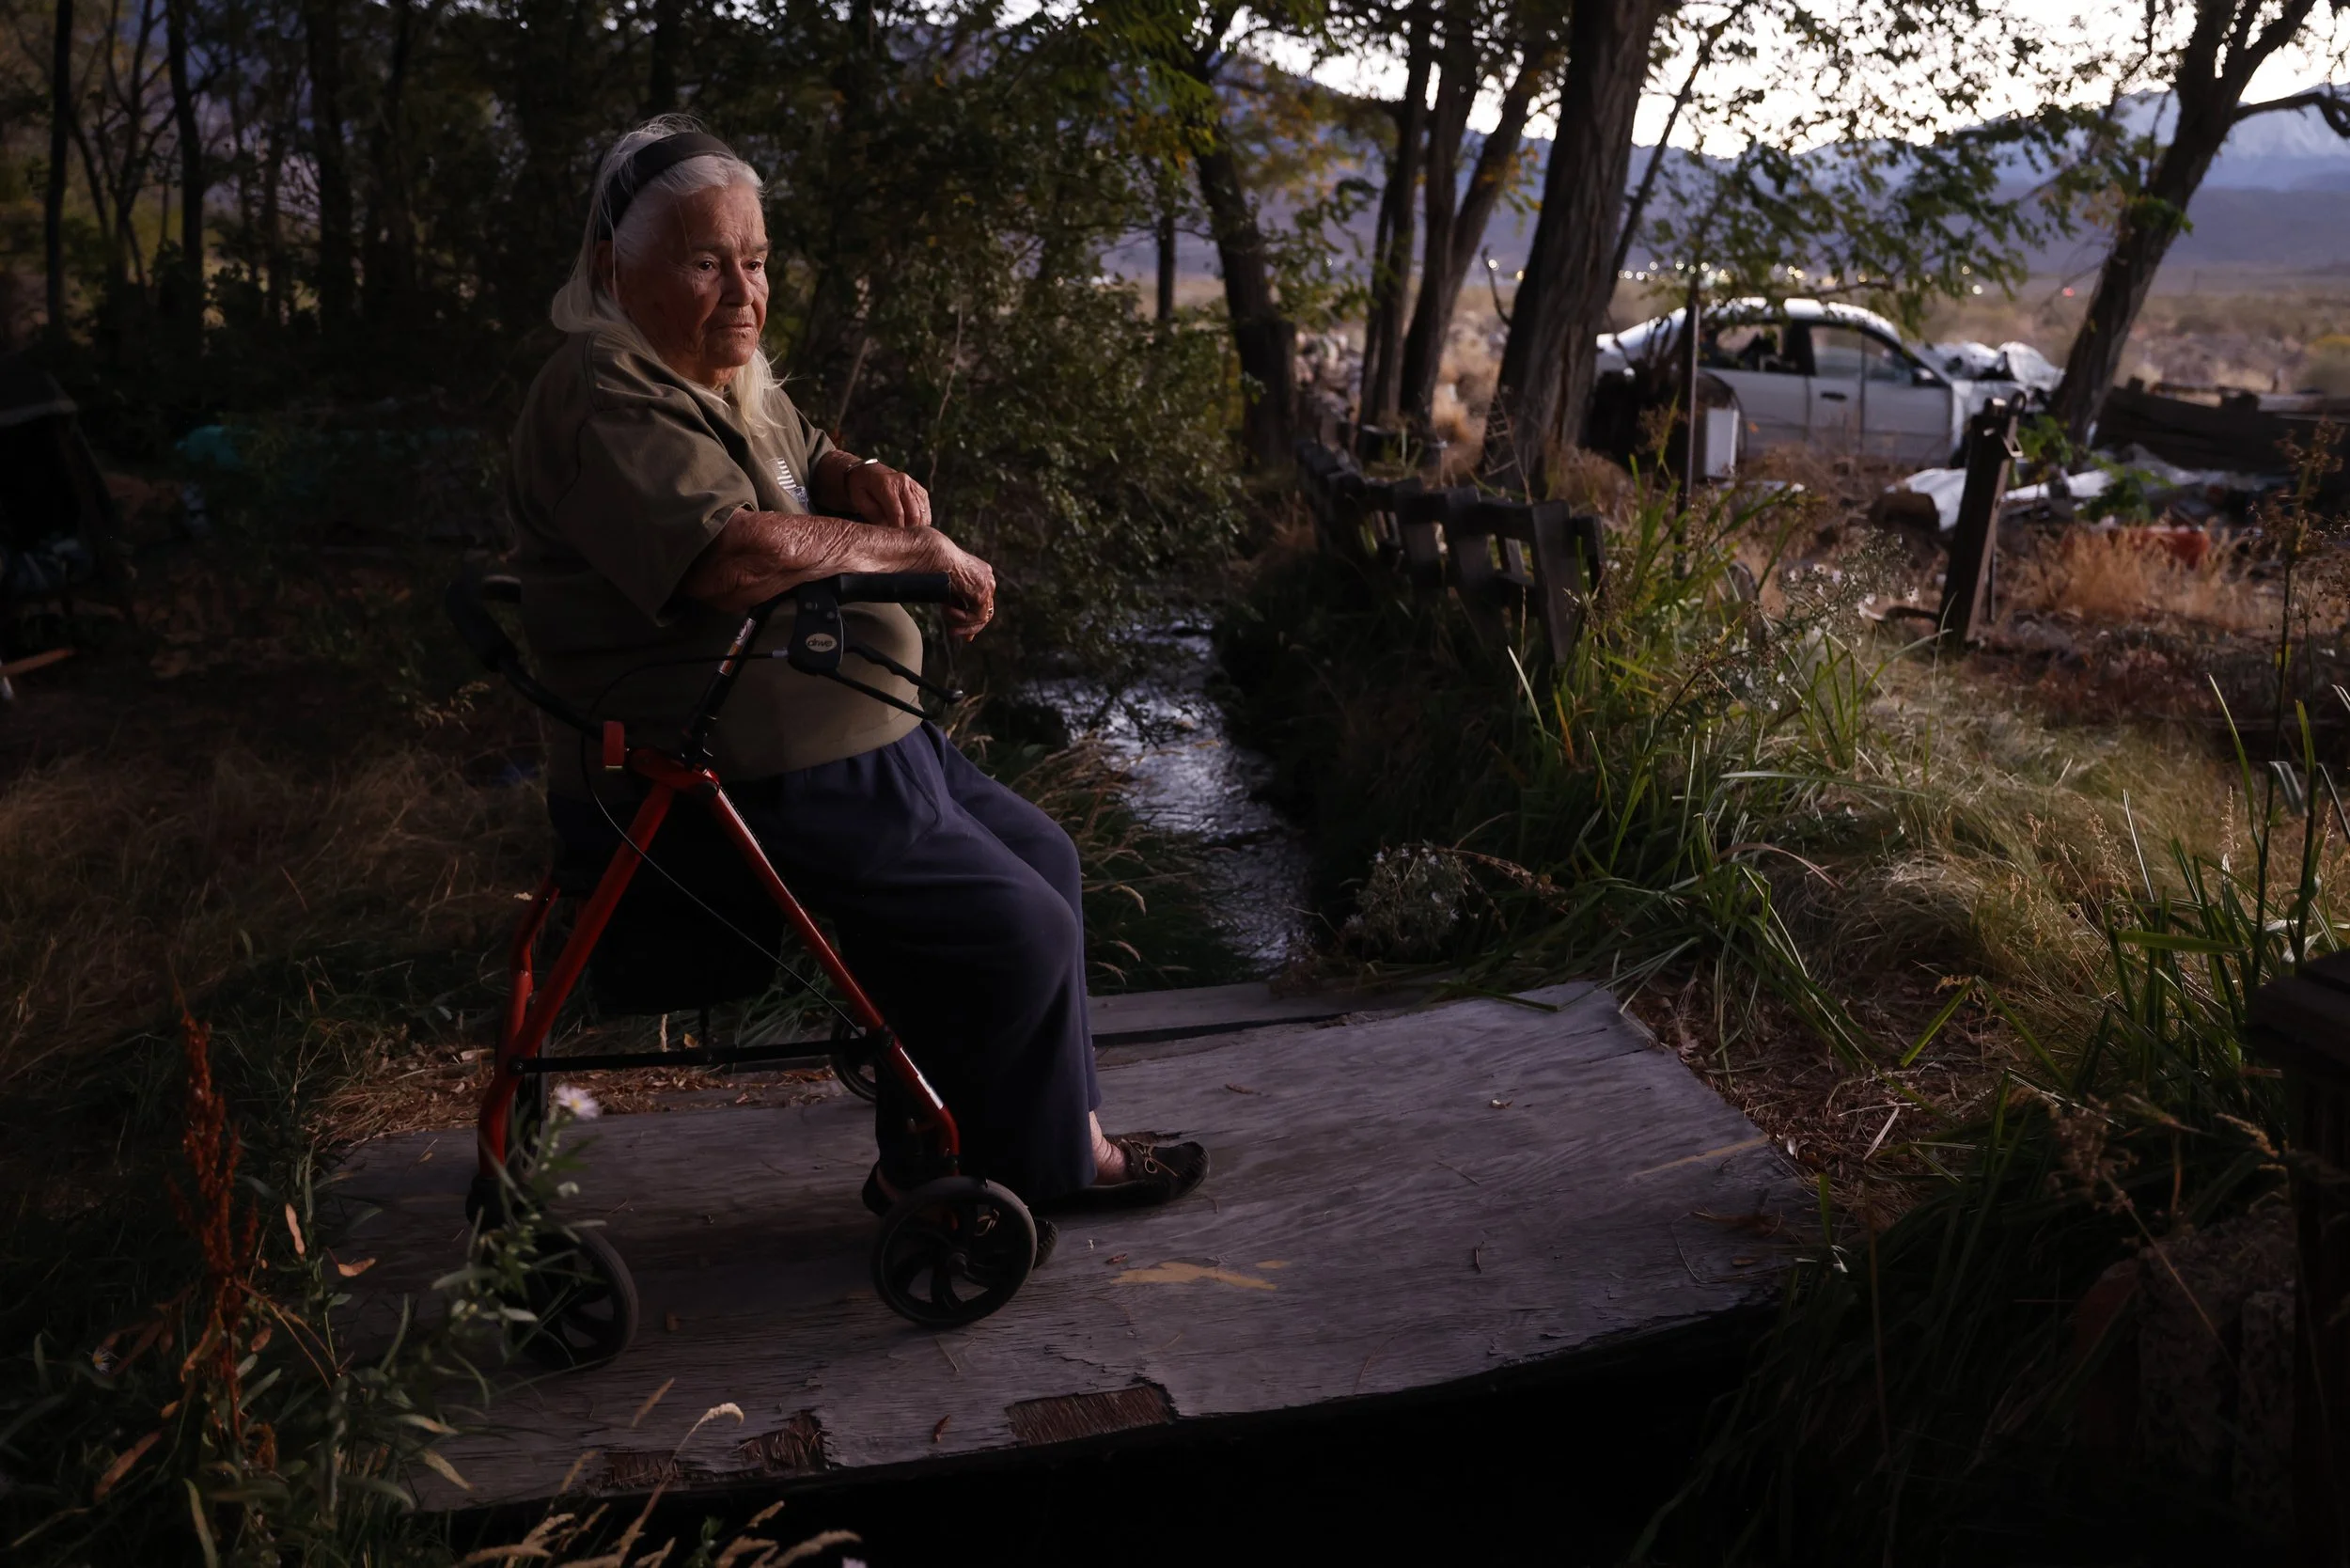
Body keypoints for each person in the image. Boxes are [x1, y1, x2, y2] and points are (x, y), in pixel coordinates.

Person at [504, 118, 1208, 1251]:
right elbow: (729, 555)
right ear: (608, 269)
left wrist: (852, 470)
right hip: (718, 768)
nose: (743, 290)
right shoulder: (603, 385)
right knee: (1014, 930)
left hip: (839, 739)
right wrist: (919, 555)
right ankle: (1017, 1166)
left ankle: (1016, 1141)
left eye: (757, 260)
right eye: (702, 261)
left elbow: (794, 448)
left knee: (1047, 860)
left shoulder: (714, 369)